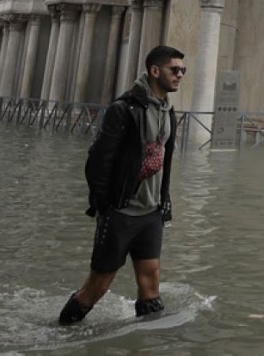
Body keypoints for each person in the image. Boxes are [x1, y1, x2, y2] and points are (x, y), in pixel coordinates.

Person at [59, 45, 186, 325]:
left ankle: (146, 342)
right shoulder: (123, 109)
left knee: (151, 282)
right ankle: (61, 334)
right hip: (121, 212)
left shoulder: (169, 111)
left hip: (152, 212)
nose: (179, 75)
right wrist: (105, 205)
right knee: (98, 286)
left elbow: (166, 162)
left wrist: (164, 201)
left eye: (183, 70)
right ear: (154, 71)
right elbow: (98, 161)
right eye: (174, 70)